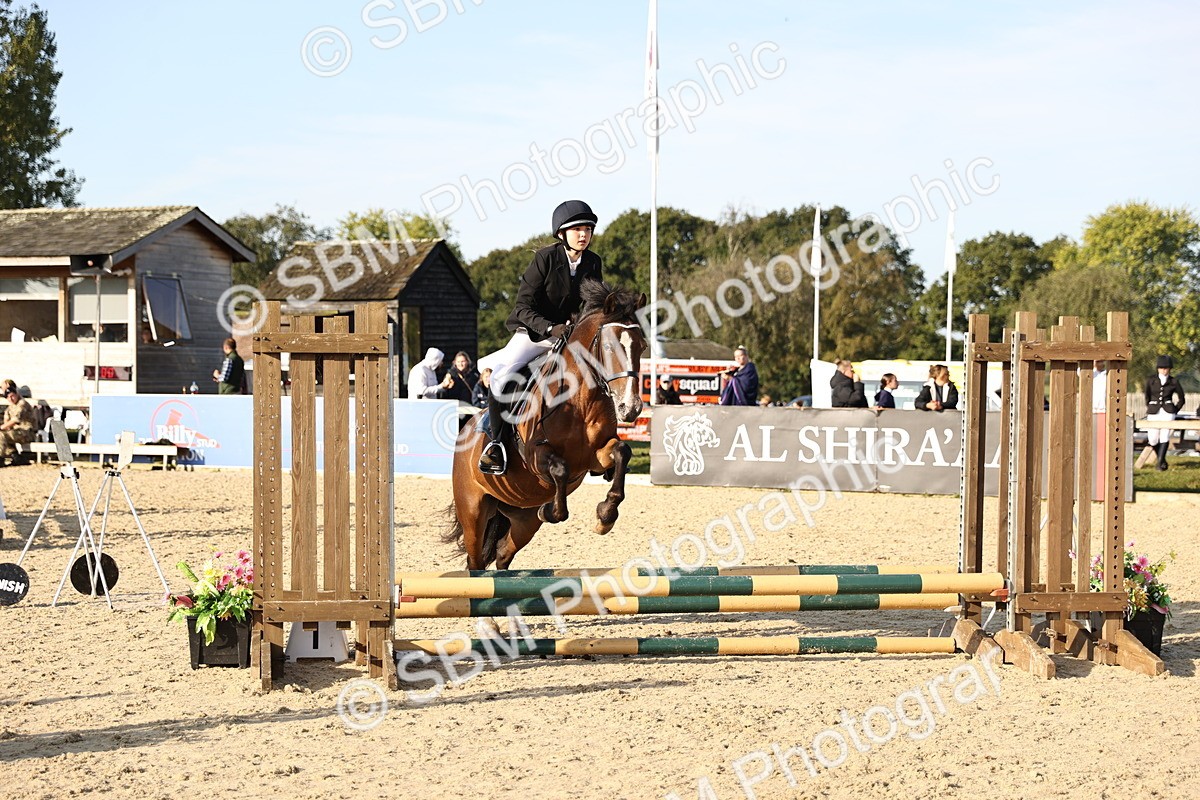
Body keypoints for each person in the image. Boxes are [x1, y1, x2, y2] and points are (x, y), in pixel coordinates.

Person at [476, 200, 603, 474]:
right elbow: (522, 307)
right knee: (500, 376)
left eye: (588, 229)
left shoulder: (593, 262)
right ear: (562, 233)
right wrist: (550, 328)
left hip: (570, 337)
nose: (584, 235)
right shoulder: (545, 258)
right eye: (577, 229)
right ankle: (495, 444)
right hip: (535, 334)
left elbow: (594, 306)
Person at [1137, 355, 1185, 471]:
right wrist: (1150, 406)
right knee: (1152, 438)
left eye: (1166, 368)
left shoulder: (1174, 381)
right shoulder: (1151, 380)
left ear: (1169, 369)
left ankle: (1159, 464)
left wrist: (1174, 410)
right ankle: (1162, 459)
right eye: (1162, 368)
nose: (1164, 370)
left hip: (1168, 412)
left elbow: (1181, 398)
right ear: (1158, 368)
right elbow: (1147, 397)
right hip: (1154, 411)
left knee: (1164, 435)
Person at [0, 385, 38, 465]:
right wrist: (5, 426)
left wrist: (2, 427)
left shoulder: (22, 404)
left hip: (27, 433)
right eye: (8, 397)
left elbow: (15, 420)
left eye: (12, 396)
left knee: (2, 435)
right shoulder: (11, 407)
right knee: (4, 434)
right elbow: (7, 420)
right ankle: (16, 456)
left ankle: (1, 458)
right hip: (17, 432)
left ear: (16, 394)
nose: (10, 399)